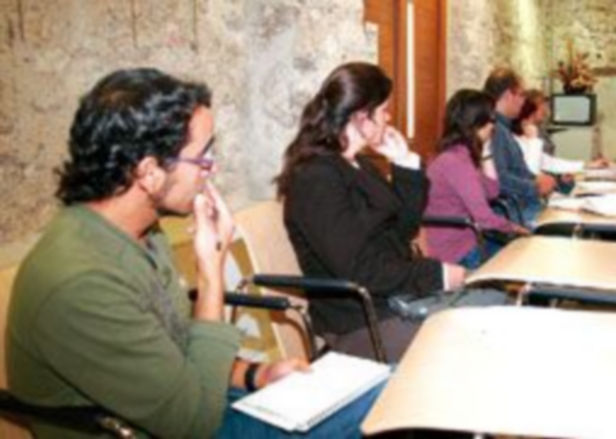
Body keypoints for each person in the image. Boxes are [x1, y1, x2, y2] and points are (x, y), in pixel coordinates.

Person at [5, 68, 378, 439]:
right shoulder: (81, 282)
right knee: (378, 405)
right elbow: (193, 424)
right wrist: (211, 271)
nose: (211, 168)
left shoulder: (140, 233)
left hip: (194, 407)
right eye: (202, 157)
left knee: (378, 393)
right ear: (149, 173)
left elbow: (180, 348)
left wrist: (254, 374)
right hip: (181, 426)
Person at [276, 62, 467, 363]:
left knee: (484, 327)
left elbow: (403, 230)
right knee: (466, 349)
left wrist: (404, 163)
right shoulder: (315, 177)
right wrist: (437, 274)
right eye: (384, 110)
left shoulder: (359, 165)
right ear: (362, 117)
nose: (389, 118)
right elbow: (360, 270)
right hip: (358, 320)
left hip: (391, 301)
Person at [423, 89, 530, 269]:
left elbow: (492, 191)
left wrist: (487, 153)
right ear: (476, 123)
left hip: (468, 243)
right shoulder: (455, 162)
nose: (493, 126)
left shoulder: (459, 154)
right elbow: (484, 218)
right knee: (525, 257)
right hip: (458, 253)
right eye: (491, 120)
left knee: (526, 251)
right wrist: (515, 228)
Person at [483, 68, 556, 227]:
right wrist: (535, 186)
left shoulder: (502, 129)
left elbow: (516, 170)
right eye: (521, 94)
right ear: (509, 94)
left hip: (519, 206)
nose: (523, 101)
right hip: (513, 212)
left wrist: (536, 179)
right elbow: (498, 180)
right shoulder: (494, 130)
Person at [512, 89, 606, 193]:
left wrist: (585, 165)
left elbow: (548, 162)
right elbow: (531, 175)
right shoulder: (517, 138)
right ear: (531, 110)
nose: (546, 110)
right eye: (542, 106)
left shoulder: (537, 130)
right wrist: (533, 140)